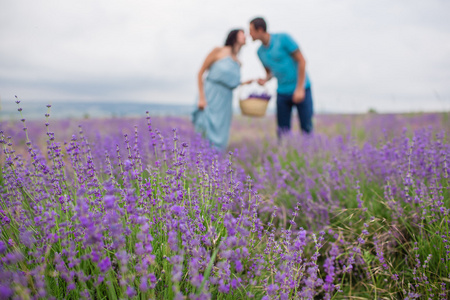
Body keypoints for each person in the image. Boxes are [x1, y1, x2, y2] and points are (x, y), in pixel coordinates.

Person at [249, 17, 313, 136]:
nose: (249, 34)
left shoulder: (283, 39)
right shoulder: (260, 52)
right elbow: (270, 72)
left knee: (307, 129)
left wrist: (300, 89)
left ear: (260, 30)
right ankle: (285, 153)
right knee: (282, 132)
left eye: (251, 31)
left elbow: (302, 61)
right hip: (282, 92)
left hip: (301, 88)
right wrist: (265, 80)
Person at [192, 29, 251, 150]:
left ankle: (216, 163)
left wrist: (245, 83)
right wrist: (202, 98)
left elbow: (231, 83)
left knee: (222, 131)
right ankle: (201, 161)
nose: (245, 36)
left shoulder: (238, 62)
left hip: (225, 100)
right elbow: (200, 73)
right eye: (242, 34)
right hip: (211, 94)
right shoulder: (218, 51)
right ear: (234, 36)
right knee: (204, 129)